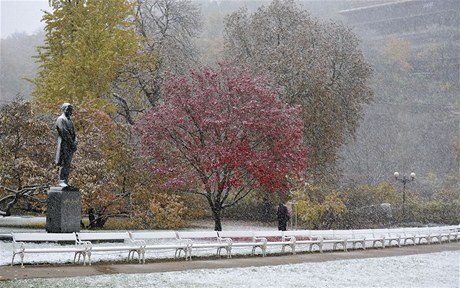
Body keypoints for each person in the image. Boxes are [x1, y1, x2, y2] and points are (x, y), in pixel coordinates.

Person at [55, 103, 77, 187]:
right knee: (63, 163)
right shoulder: (61, 119)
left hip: (70, 146)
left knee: (68, 164)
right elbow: (64, 133)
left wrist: (75, 142)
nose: (70, 111)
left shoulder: (70, 121)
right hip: (64, 145)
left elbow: (74, 134)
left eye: (71, 110)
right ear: (64, 109)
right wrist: (72, 143)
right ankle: (62, 180)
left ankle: (66, 180)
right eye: (69, 109)